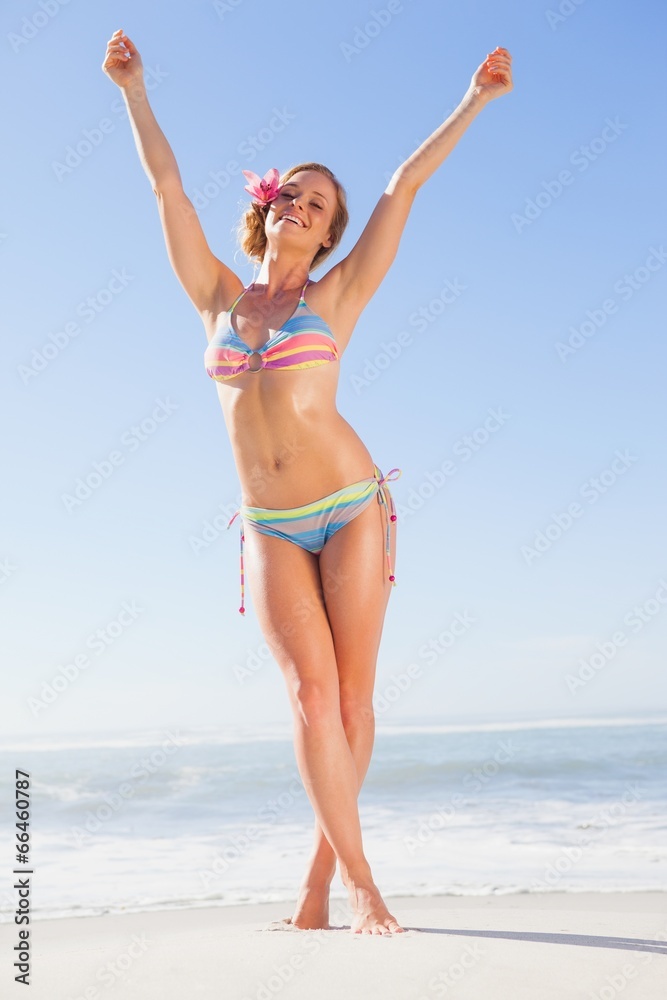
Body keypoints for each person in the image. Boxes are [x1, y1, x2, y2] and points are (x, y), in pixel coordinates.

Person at [102, 29, 513, 936]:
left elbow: (404, 187)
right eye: (289, 189)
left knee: (353, 698)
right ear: (267, 208)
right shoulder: (212, 293)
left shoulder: (336, 298)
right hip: (268, 527)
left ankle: (336, 882)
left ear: (329, 229)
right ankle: (350, 879)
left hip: (353, 510)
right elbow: (166, 187)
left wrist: (474, 99)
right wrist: (133, 88)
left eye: (318, 200)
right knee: (307, 698)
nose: (299, 202)